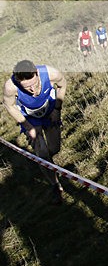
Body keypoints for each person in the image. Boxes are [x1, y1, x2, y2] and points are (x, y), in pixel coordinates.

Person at [2, 60, 67, 203]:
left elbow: (62, 85)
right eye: (26, 87)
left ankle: (45, 162)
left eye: (34, 83)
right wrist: (28, 126)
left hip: (50, 112)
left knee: (54, 148)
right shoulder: (10, 87)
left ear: (37, 74)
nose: (32, 89)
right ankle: (55, 185)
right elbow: (9, 106)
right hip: (30, 119)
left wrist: (57, 109)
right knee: (42, 153)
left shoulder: (51, 73)